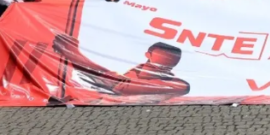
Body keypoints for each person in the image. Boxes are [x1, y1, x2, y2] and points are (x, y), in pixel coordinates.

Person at [53, 35, 190, 99]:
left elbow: (120, 86)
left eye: (171, 61)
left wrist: (74, 55)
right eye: (164, 59)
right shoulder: (131, 72)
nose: (165, 64)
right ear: (148, 54)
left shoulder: (177, 85)